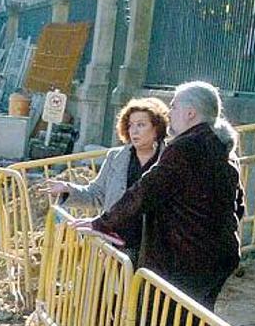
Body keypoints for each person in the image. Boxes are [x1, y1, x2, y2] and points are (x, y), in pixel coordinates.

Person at [74, 81, 244, 312]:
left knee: (162, 315)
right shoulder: (222, 148)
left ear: (190, 113)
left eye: (174, 108)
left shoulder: (186, 147)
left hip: (185, 260)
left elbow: (145, 191)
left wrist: (102, 223)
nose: (170, 113)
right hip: (218, 256)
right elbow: (238, 205)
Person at [46, 97, 169, 265]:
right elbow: (97, 194)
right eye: (131, 125)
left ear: (157, 127)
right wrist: (69, 190)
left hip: (153, 249)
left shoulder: (169, 160)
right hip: (115, 243)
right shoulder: (115, 157)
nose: (134, 131)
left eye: (141, 125)